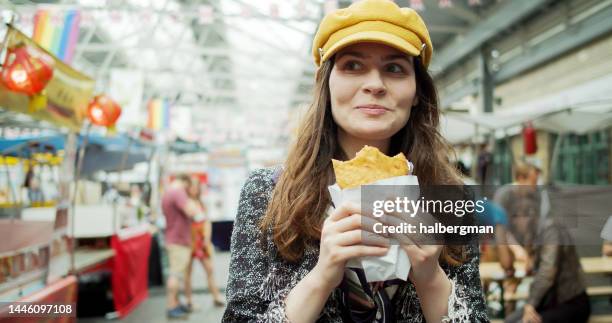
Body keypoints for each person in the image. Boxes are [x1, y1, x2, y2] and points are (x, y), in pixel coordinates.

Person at [222, 1, 487, 322]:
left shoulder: (453, 197)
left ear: (416, 91)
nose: (374, 84)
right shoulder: (268, 192)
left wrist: (431, 277)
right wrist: (321, 277)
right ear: (326, 84)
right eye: (353, 65)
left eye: (394, 68)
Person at [504, 200, 590, 323]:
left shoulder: (551, 229)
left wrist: (530, 304)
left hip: (571, 303)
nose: (513, 224)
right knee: (509, 321)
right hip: (549, 302)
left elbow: (547, 272)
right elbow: (532, 267)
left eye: (515, 218)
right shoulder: (533, 233)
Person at [161, 174, 205, 319]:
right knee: (176, 274)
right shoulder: (177, 192)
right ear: (185, 182)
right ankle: (171, 306)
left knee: (178, 274)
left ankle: (175, 303)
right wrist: (194, 206)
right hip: (178, 240)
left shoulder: (168, 192)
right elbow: (193, 212)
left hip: (174, 238)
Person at [184, 178, 225, 310]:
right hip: (189, 240)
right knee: (188, 272)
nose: (194, 189)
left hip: (201, 240)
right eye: (192, 186)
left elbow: (206, 221)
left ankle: (216, 296)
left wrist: (207, 238)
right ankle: (189, 300)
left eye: (196, 186)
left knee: (210, 269)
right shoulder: (184, 203)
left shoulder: (201, 202)